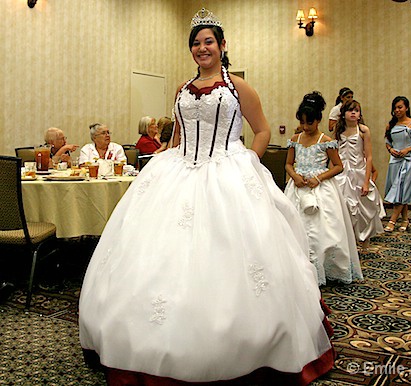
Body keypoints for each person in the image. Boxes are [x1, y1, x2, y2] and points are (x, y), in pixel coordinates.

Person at [79, 8, 334, 386]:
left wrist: (248, 161)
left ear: (222, 46)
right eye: (196, 43)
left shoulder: (237, 87)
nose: (202, 48)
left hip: (228, 170)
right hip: (179, 169)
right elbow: (179, 137)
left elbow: (261, 129)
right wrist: (167, 156)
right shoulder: (182, 89)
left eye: (208, 42)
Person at [284, 91, 362, 285]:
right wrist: (294, 176)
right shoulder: (295, 139)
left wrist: (319, 178)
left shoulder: (326, 141)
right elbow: (288, 164)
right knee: (295, 225)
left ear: (318, 120)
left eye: (309, 123)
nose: (305, 127)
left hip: (321, 188)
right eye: (302, 123)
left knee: (325, 229)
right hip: (298, 187)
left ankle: (326, 267)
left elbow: (338, 166)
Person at [334, 100, 384, 249]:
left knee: (363, 206)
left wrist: (367, 181)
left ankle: (364, 239)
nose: (353, 113)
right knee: (345, 206)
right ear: (343, 114)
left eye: (356, 110)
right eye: (350, 110)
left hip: (359, 173)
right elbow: (335, 155)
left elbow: (368, 157)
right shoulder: (339, 131)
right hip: (342, 175)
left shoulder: (363, 130)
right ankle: (348, 240)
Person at [384, 96, 411, 232]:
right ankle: (405, 220)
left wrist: (407, 149)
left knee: (400, 190)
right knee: (401, 191)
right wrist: (391, 150)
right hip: (395, 161)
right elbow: (387, 142)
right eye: (395, 108)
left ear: (406, 108)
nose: (397, 110)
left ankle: (392, 220)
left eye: (400, 107)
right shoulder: (391, 125)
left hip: (408, 161)